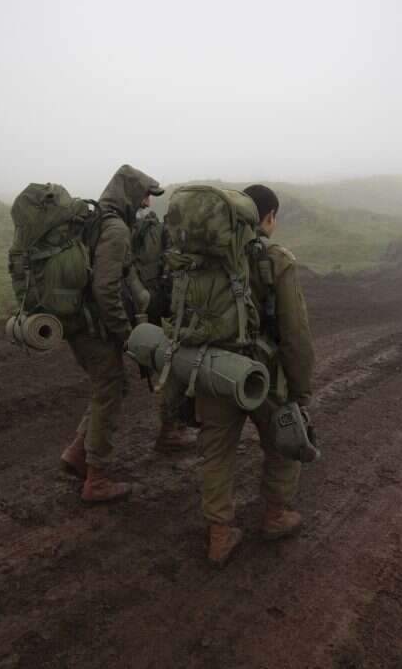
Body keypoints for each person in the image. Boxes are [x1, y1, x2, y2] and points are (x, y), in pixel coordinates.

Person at [196, 184, 316, 566]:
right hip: (261, 375)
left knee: (216, 451)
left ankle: (220, 534)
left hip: (212, 368)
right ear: (269, 217)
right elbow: (295, 332)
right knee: (284, 438)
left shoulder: (203, 257)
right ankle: (276, 516)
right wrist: (300, 391)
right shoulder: (276, 259)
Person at [59, 164, 164, 503]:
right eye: (145, 194)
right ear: (131, 193)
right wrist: (126, 335)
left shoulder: (94, 219)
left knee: (110, 385)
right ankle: (97, 479)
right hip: (93, 326)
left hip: (78, 323)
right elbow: (106, 288)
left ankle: (78, 453)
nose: (148, 203)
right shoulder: (115, 228)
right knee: (110, 389)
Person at [131, 207, 197, 453]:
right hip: (164, 311)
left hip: (140, 308)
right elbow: (173, 278)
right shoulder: (171, 238)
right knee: (175, 366)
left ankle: (173, 427)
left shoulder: (144, 231)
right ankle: (170, 431)